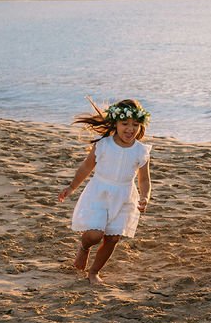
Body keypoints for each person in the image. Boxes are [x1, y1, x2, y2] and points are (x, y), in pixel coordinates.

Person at [58, 99, 152, 286]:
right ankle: (84, 247)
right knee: (95, 235)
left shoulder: (141, 151)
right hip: (100, 193)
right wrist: (71, 187)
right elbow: (86, 167)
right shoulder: (103, 144)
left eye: (135, 125)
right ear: (115, 123)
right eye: (125, 124)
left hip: (125, 196)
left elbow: (144, 179)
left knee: (112, 238)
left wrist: (144, 196)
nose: (130, 129)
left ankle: (94, 272)